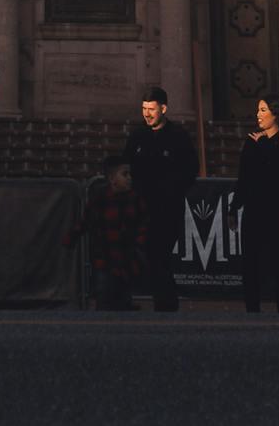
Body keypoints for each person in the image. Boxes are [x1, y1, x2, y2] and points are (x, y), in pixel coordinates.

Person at [125, 84, 199, 314]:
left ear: (164, 109)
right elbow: (126, 165)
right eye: (144, 108)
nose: (147, 113)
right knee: (149, 256)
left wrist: (172, 190)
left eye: (152, 109)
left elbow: (191, 169)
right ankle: (161, 301)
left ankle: (166, 304)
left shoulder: (178, 136)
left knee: (160, 255)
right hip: (141, 209)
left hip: (168, 210)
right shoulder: (137, 136)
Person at [236, 94, 279, 314]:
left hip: (278, 209)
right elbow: (244, 176)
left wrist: (264, 143)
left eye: (263, 110)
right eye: (258, 110)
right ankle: (252, 308)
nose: (258, 115)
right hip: (254, 209)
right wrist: (234, 206)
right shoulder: (252, 139)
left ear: (275, 113)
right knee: (251, 262)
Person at [69, 149, 146, 312]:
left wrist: (139, 241)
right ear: (112, 179)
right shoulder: (100, 197)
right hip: (104, 257)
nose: (129, 178)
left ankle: (122, 316)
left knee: (123, 295)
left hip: (125, 257)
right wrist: (71, 237)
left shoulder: (134, 198)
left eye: (129, 174)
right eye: (125, 174)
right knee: (104, 296)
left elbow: (144, 222)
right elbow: (86, 220)